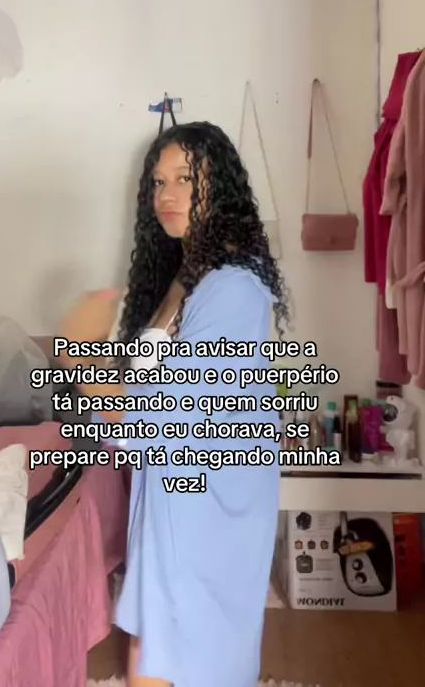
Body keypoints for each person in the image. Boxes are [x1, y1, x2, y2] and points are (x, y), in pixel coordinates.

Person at [59, 121, 289, 687]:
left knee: (185, 650)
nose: (168, 194)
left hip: (205, 500)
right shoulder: (189, 276)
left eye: (186, 178)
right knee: (153, 644)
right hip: (170, 492)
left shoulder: (231, 288)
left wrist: (80, 360)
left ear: (221, 187)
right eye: (159, 182)